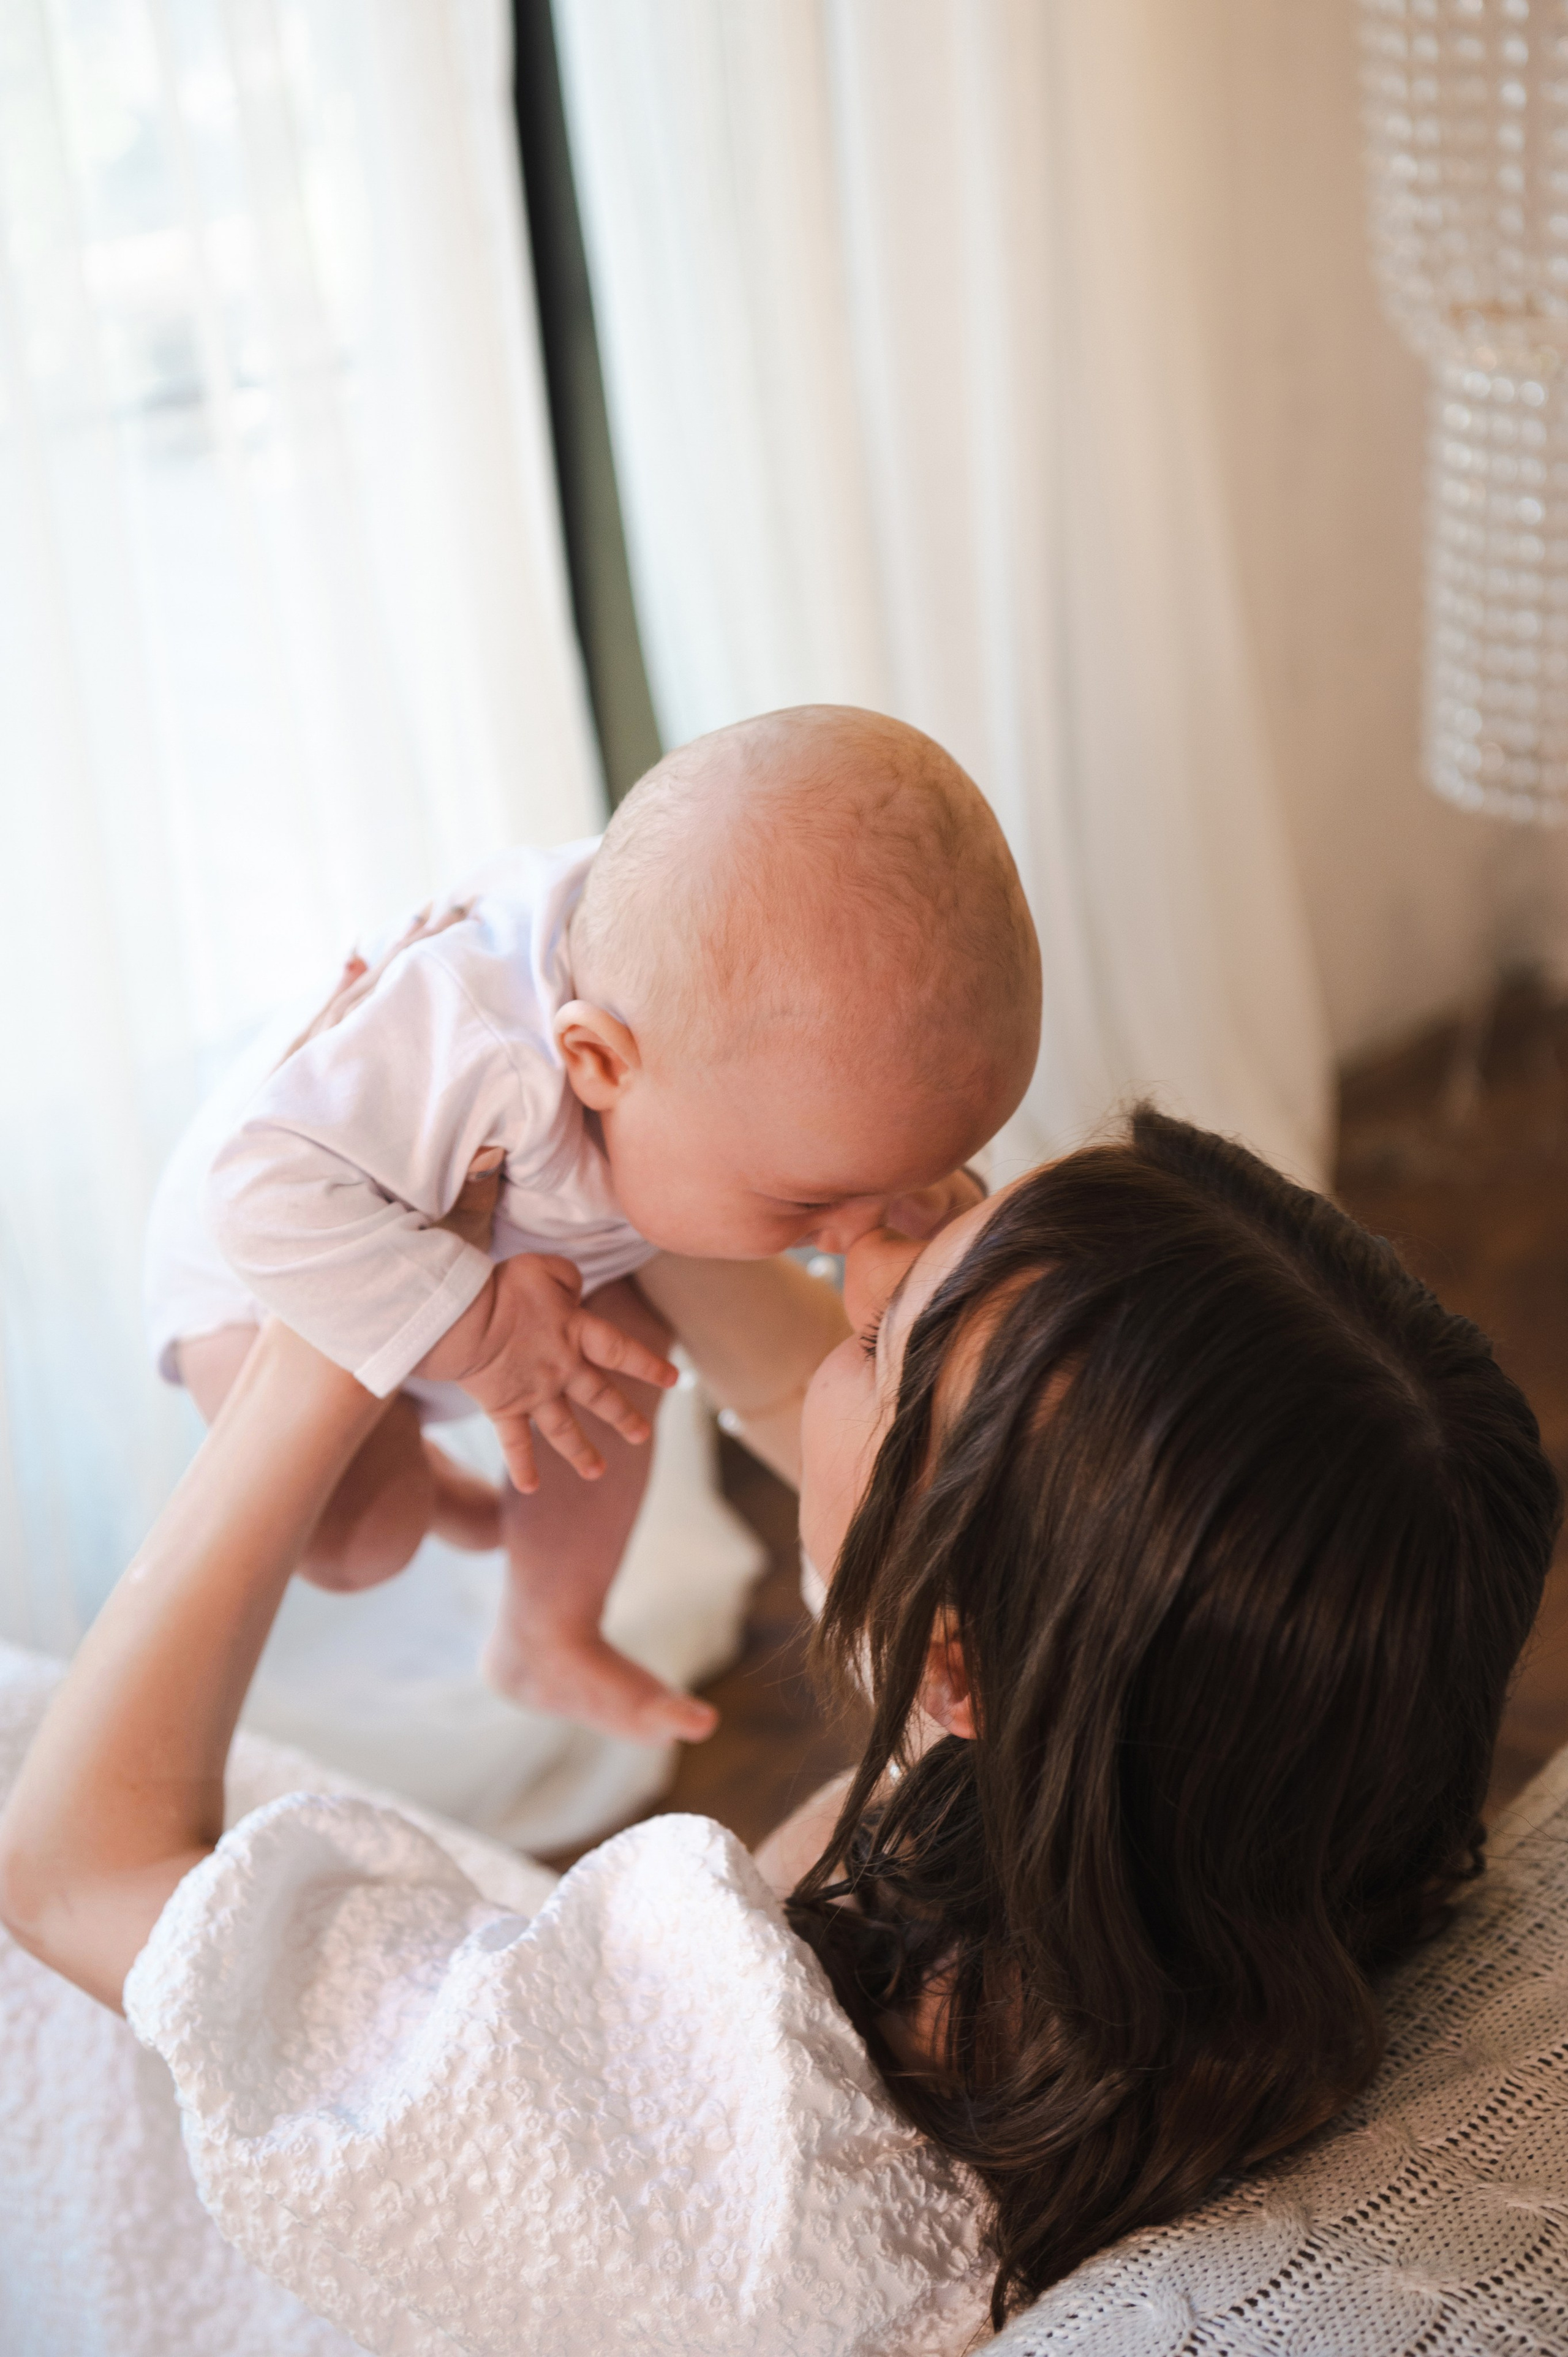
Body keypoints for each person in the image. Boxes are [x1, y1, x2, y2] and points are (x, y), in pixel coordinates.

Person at [1, 1111, 1556, 2352]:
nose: (861, 1279)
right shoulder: (1217, 1794)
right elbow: (798, 1407)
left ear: (953, 1657)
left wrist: (338, 1324)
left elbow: (72, 1867)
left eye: (883, 1340)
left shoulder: (739, 2154)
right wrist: (667, 1128)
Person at [145, 704, 1041, 1748]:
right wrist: (479, 1332)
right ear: (600, 1062)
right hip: (271, 1272)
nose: (851, 1233)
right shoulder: (478, 1034)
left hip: (530, 1256)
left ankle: (545, 1627)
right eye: (809, 1202)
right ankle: (425, 1487)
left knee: (617, 1364)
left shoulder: (725, 1029)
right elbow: (259, 1187)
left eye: (907, 1180)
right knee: (360, 1540)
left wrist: (911, 1189)